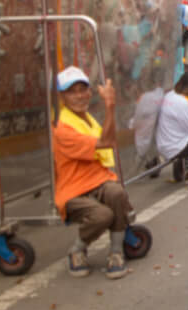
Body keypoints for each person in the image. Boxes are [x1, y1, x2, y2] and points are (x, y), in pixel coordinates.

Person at [52, 66, 131, 280]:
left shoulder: (86, 118)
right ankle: (77, 249)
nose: (79, 96)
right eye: (72, 91)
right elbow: (106, 141)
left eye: (82, 89)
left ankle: (116, 252)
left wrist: (109, 109)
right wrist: (110, 106)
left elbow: (110, 140)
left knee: (116, 193)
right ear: (62, 97)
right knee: (103, 215)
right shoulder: (63, 128)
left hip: (99, 181)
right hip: (73, 192)